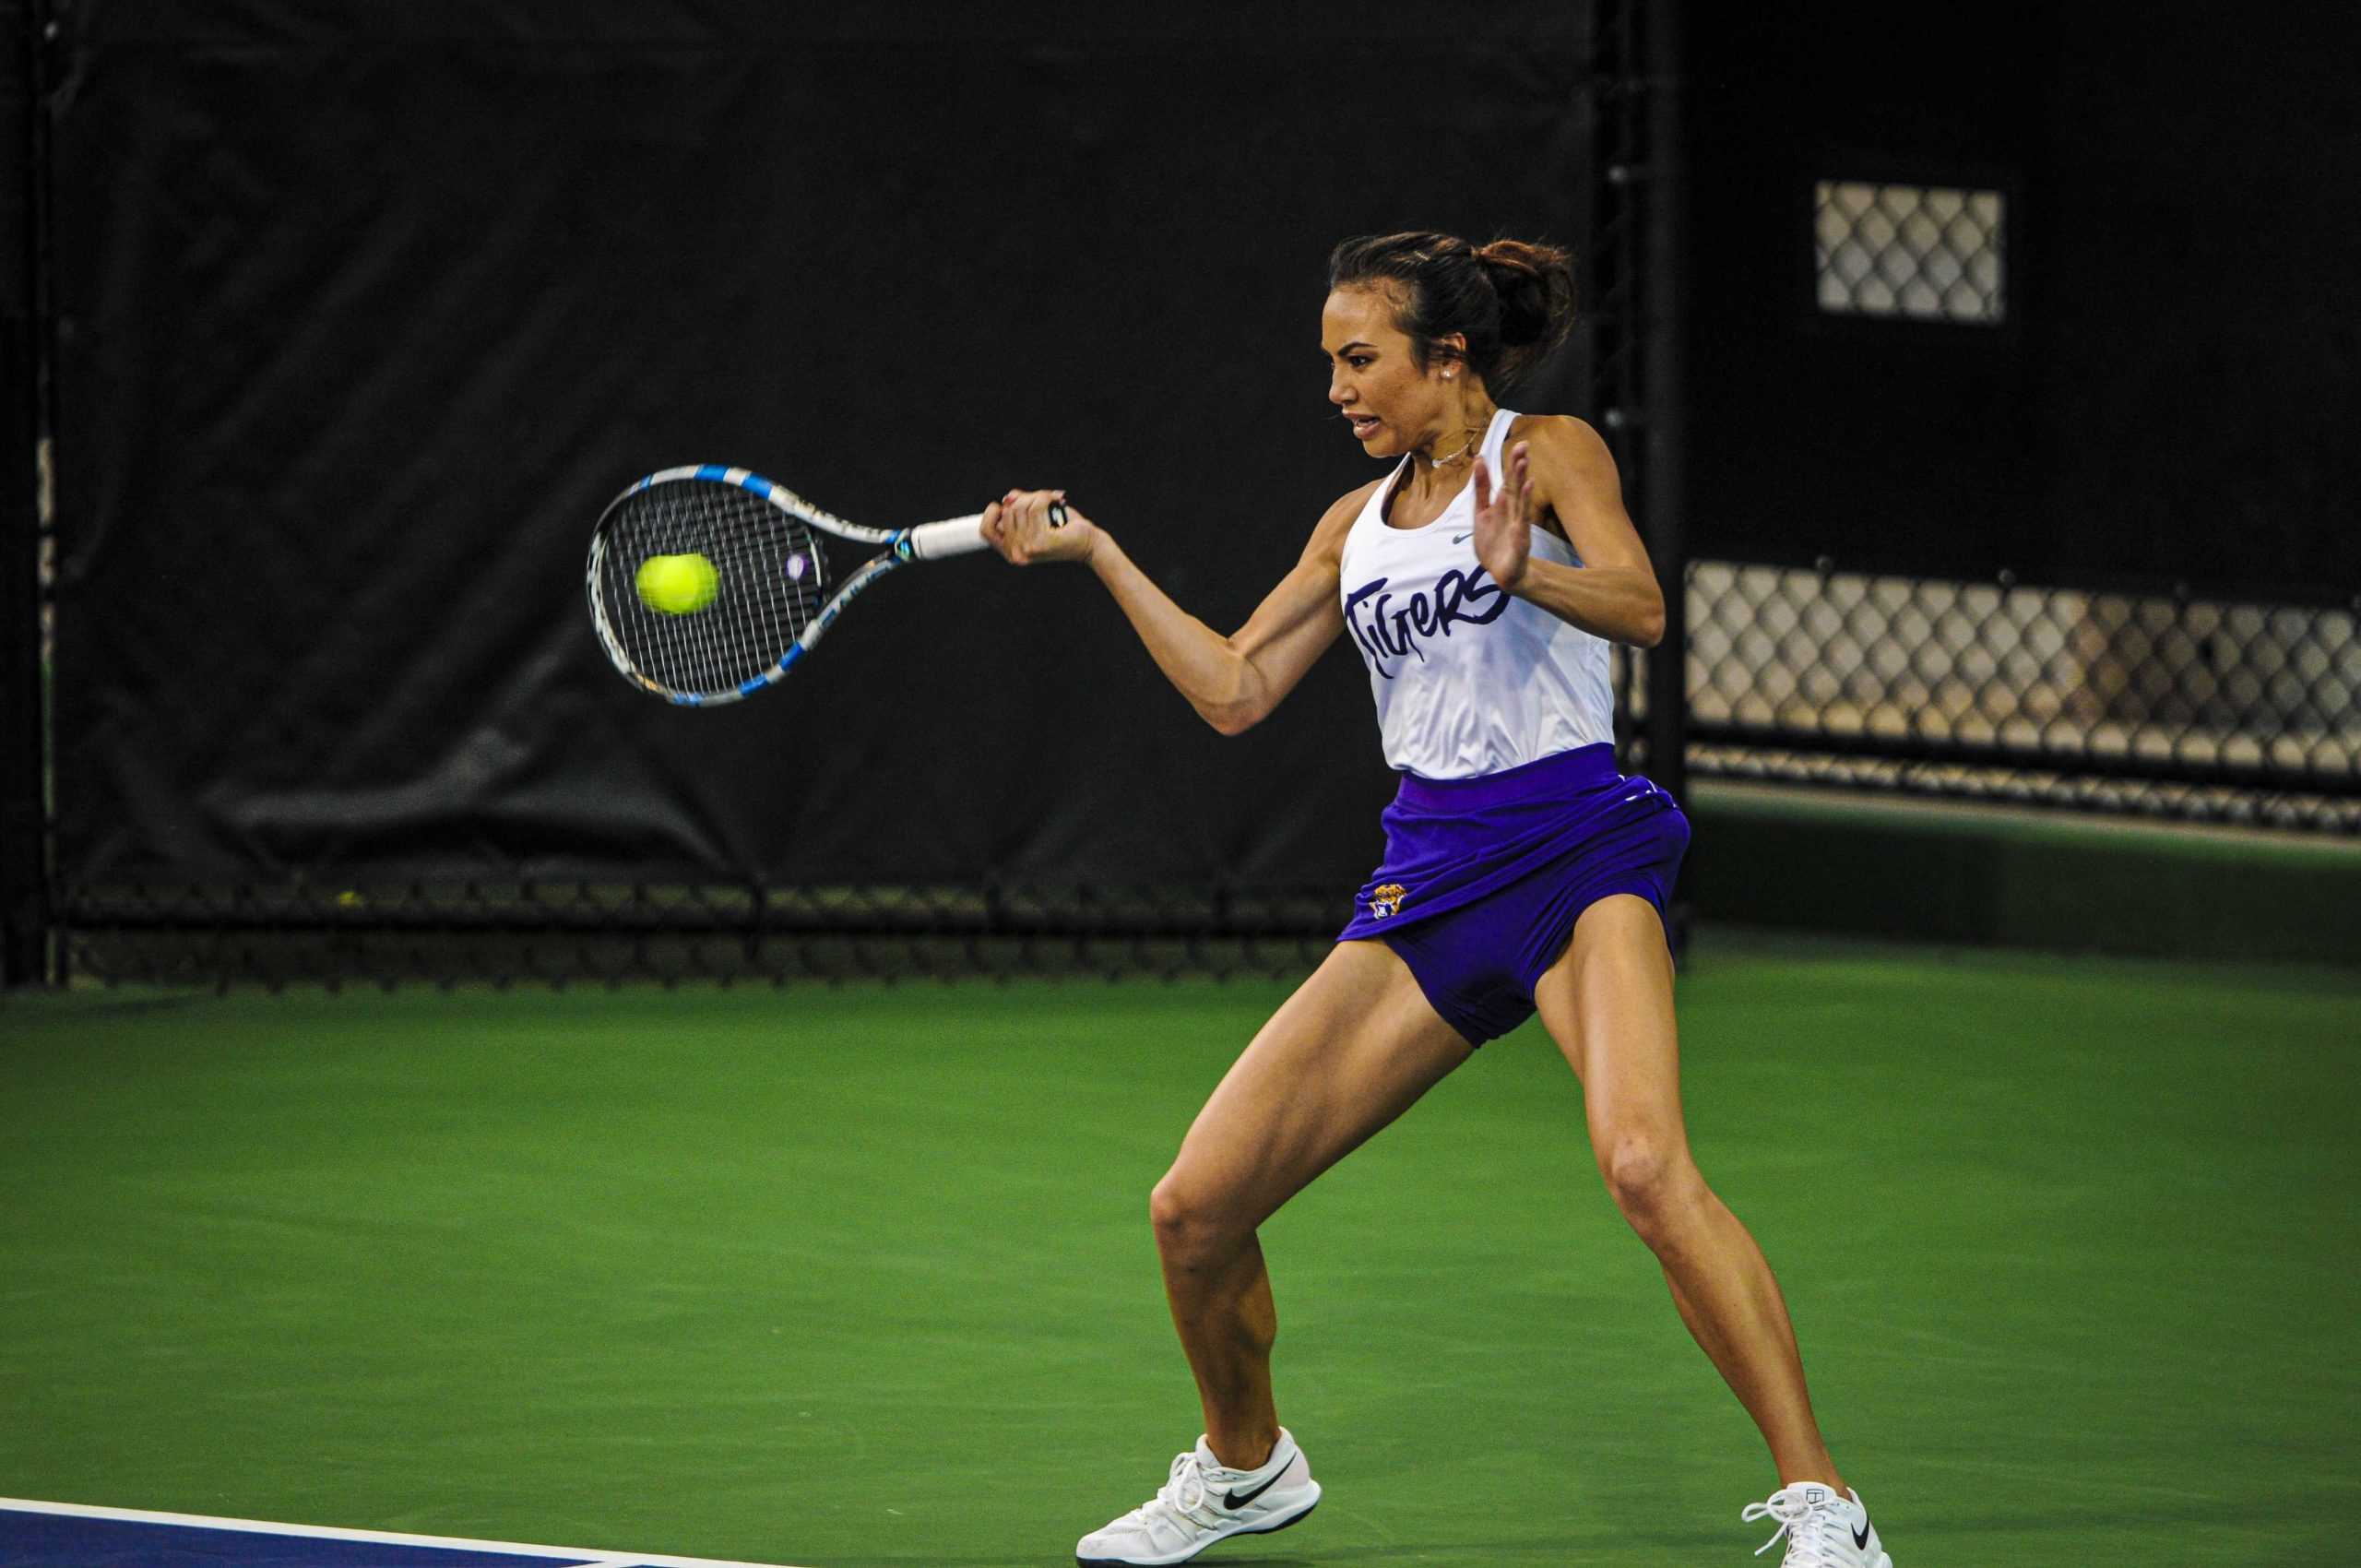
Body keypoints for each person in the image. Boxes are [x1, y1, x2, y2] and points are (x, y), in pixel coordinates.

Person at [979, 231, 1891, 1568]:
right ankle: (1247, 1469)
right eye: (1331, 364)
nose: (1339, 389)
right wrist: (1100, 554)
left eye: (1363, 360)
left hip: (1580, 851)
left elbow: (1640, 606)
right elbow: (1234, 689)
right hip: (1429, 883)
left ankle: (1828, 1508)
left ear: (1445, 356)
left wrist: (1529, 571)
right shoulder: (1351, 527)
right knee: (1194, 1208)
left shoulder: (1549, 451)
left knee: (1643, 1165)